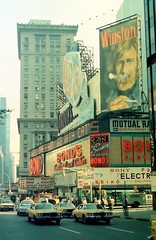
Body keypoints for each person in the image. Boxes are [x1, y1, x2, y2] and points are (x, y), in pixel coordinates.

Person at [106, 37, 140, 111]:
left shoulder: (147, 97)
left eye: (129, 61)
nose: (123, 70)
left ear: (138, 66)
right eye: (119, 63)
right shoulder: (107, 103)